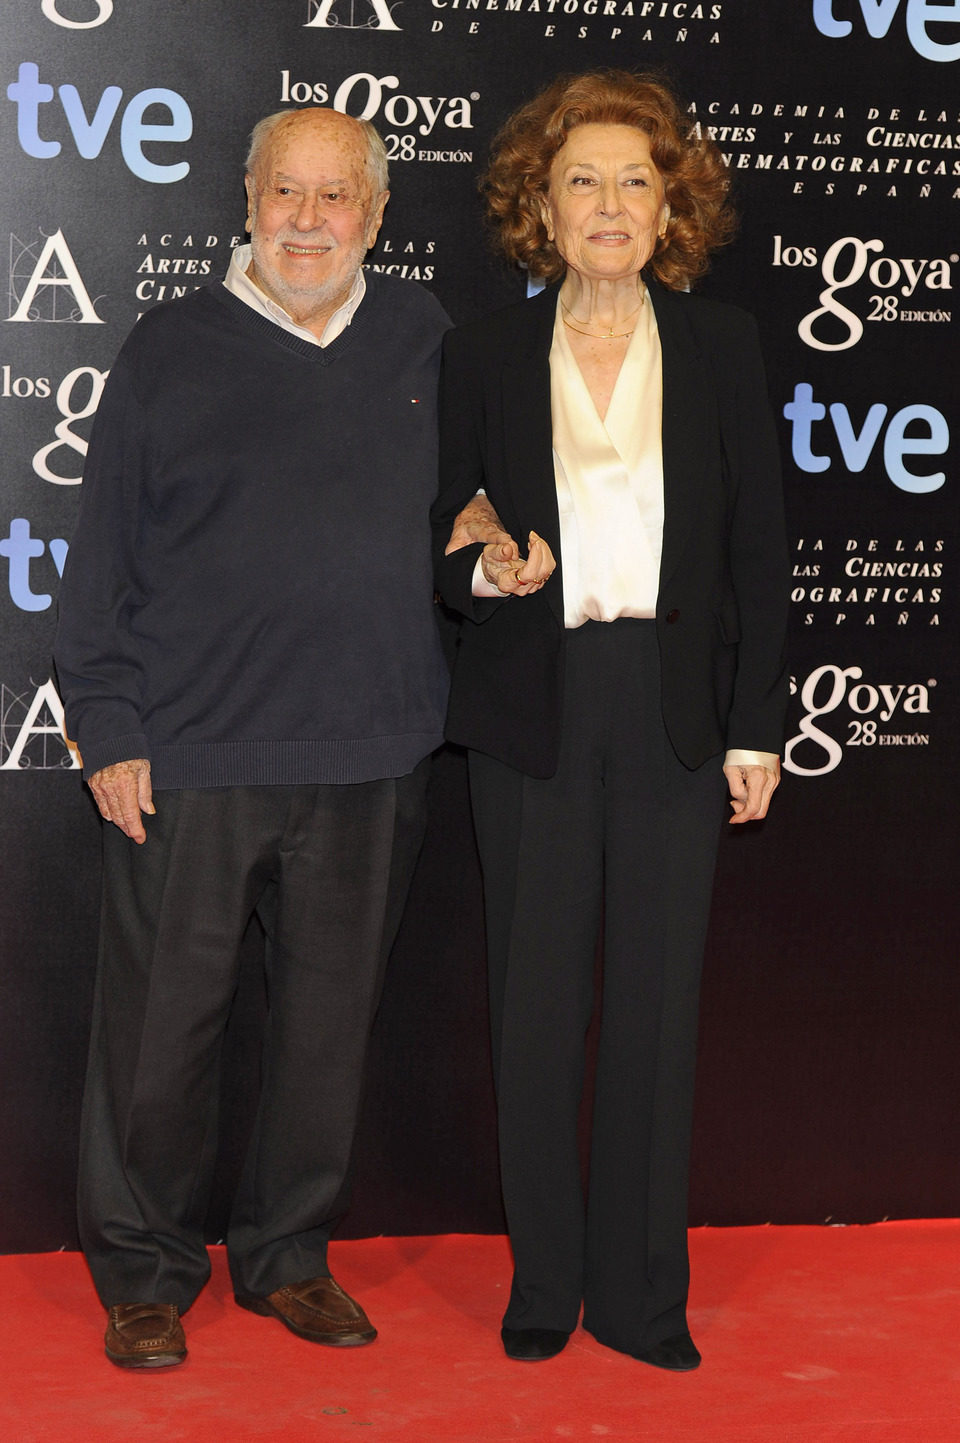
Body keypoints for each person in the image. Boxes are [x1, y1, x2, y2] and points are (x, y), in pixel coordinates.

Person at [54, 107, 450, 1370]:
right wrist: (109, 723)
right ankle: (145, 1271)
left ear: (376, 216)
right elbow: (101, 555)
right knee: (159, 1037)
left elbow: (479, 505)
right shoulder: (170, 346)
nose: (309, 220)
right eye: (289, 192)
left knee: (328, 1036)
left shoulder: (428, 341)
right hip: (191, 756)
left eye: (339, 198)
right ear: (246, 200)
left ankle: (288, 1255)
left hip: (371, 753)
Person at [432, 70, 789, 1369]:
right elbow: (446, 520)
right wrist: (484, 560)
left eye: (637, 179)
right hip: (532, 706)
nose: (610, 202)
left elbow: (760, 549)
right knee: (534, 1006)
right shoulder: (476, 354)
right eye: (583, 178)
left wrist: (756, 726)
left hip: (674, 714)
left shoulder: (722, 345)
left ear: (671, 204)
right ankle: (544, 1284)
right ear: (540, 201)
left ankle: (643, 1297)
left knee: (654, 1008)